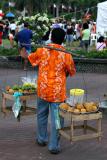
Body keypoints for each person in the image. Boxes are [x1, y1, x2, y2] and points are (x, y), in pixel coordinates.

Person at [28, 28, 76, 154]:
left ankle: (41, 139)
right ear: (64, 39)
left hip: (43, 90)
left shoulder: (42, 50)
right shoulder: (66, 55)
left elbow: (31, 59)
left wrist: (23, 52)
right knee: (57, 119)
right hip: (57, 93)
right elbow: (71, 71)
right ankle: (53, 146)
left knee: (41, 115)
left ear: (51, 37)